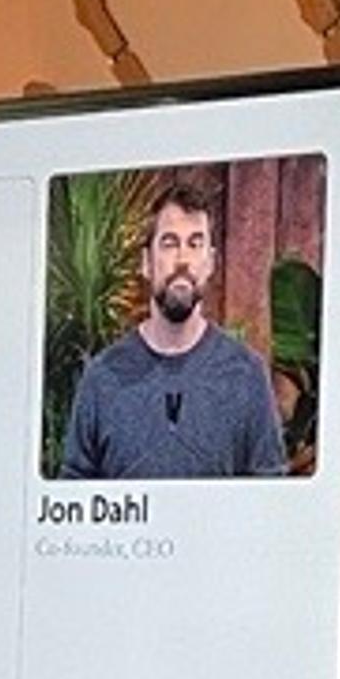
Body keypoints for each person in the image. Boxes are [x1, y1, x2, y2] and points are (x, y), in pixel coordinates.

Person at [57, 171, 292, 480]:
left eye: (195, 244)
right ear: (146, 262)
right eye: (169, 243)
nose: (182, 259)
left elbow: (269, 499)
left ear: (210, 262)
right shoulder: (102, 378)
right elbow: (74, 503)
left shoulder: (245, 375)